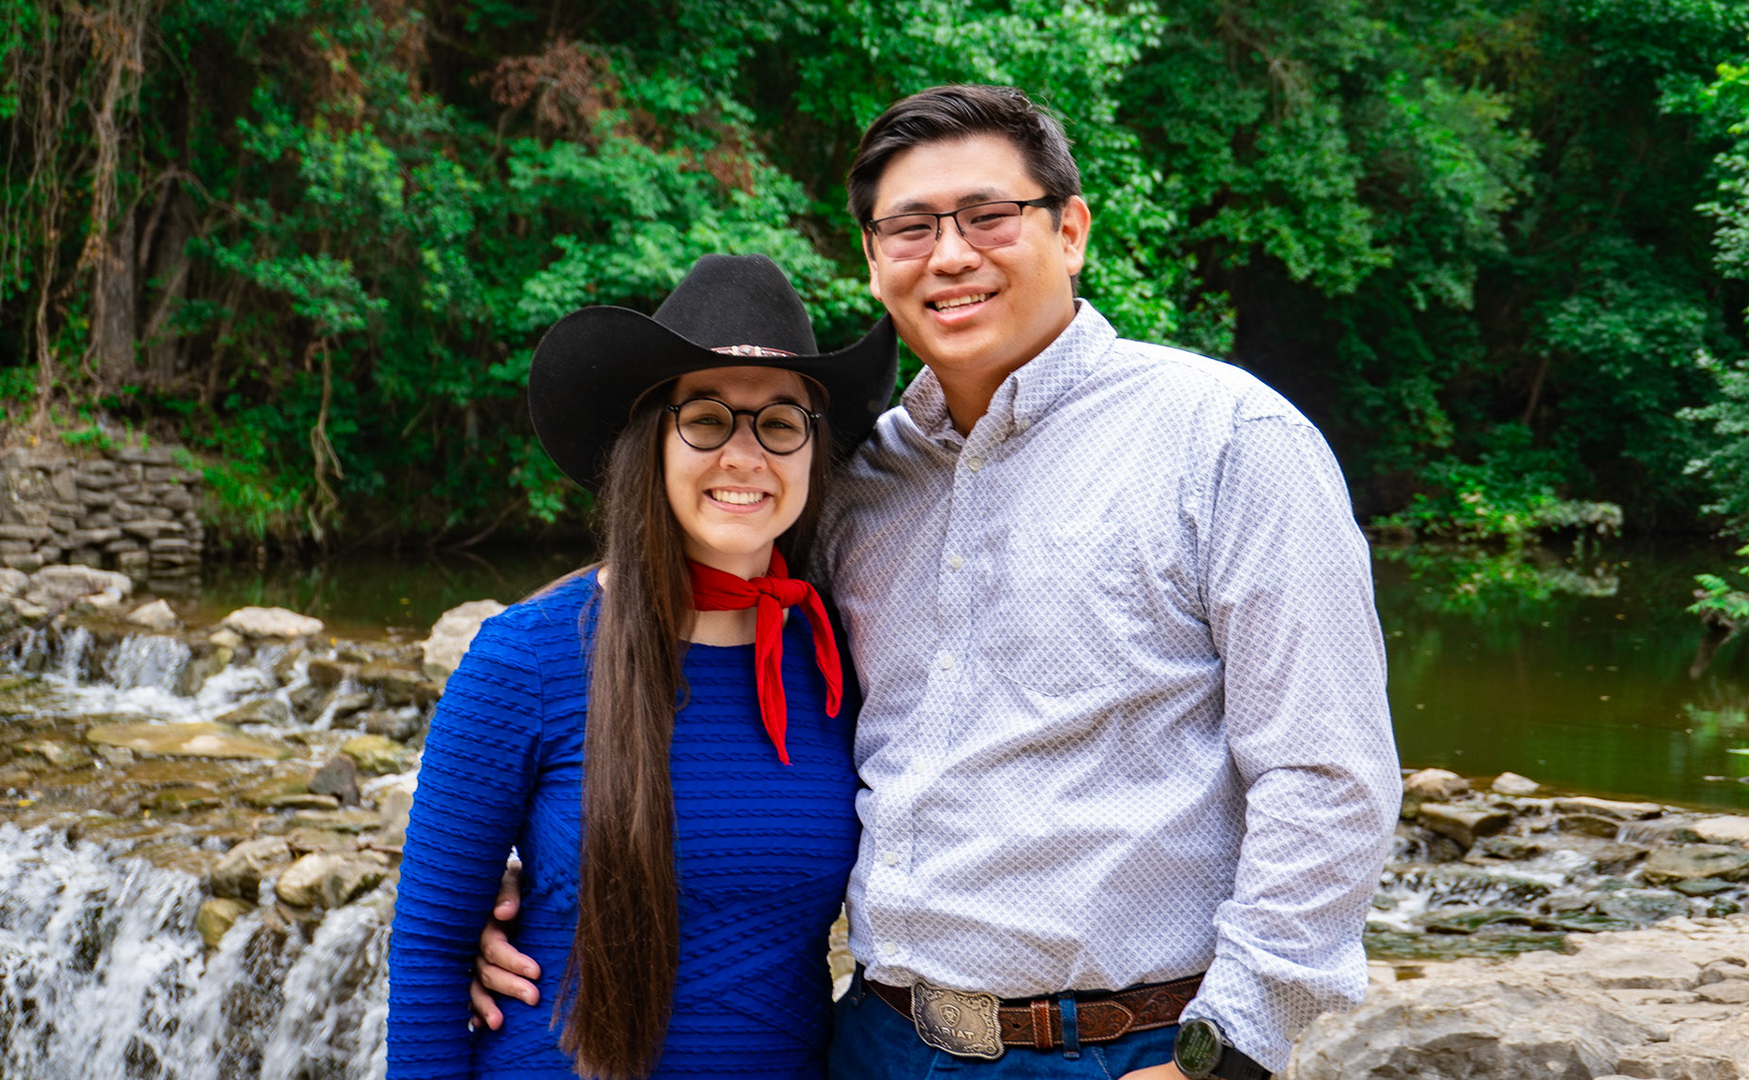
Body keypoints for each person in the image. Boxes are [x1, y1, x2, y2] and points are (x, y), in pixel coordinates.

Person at [474, 86, 1402, 1080]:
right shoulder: (854, 482)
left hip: (1120, 1047)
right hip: (875, 1041)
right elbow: (683, 612)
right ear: (874, 261)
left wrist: (1227, 1053)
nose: (951, 254)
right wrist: (530, 850)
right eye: (911, 228)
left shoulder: (1227, 441)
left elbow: (1329, 773)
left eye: (988, 216)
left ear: (1071, 230)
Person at [386, 253, 899, 1079]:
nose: (744, 455)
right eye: (706, 418)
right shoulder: (526, 658)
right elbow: (429, 953)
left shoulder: (842, 658)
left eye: (780, 422)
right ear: (651, 440)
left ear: (814, 452)